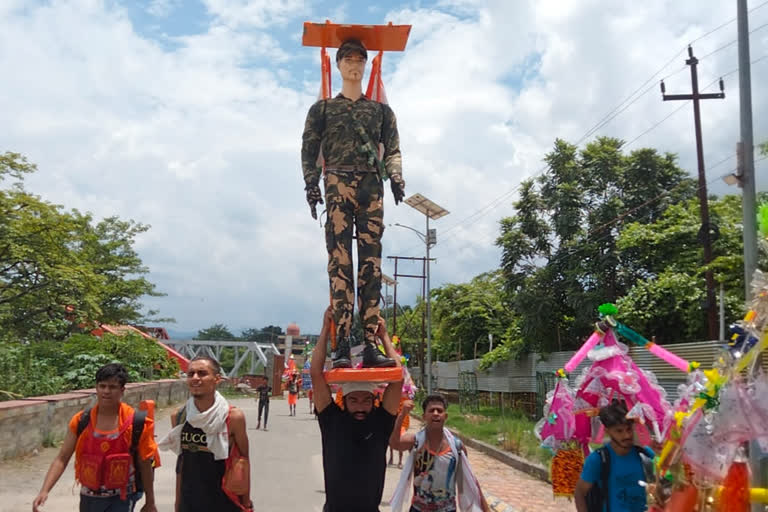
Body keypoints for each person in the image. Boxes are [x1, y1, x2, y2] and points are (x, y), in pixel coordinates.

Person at [301, 38, 405, 370]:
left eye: (360, 59)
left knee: (371, 265)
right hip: (337, 182)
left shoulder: (381, 112)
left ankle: (371, 341)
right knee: (340, 265)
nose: (354, 65)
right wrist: (310, 184)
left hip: (371, 185)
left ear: (365, 65)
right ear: (338, 65)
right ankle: (342, 342)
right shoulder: (323, 110)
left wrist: (397, 176)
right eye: (348, 59)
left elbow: (392, 149)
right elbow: (308, 150)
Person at [310, 307, 403, 512]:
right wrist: (326, 329)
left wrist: (384, 336)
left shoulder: (381, 423)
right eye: (354, 400)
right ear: (344, 400)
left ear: (374, 400)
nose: (360, 406)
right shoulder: (332, 420)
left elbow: (398, 379)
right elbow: (316, 374)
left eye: (365, 400)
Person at [32, 363, 158, 512]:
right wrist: (44, 490)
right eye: (102, 386)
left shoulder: (135, 423)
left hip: (122, 498)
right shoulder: (81, 421)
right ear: (96, 388)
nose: (106, 391)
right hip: (89, 498)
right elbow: (62, 458)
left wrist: (150, 502)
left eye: (112, 387)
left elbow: (144, 463)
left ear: (122, 390)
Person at [159, 356, 251, 512]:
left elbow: (243, 462)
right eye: (191, 374)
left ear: (217, 379)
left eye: (202, 373)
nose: (195, 378)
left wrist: (246, 502)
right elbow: (182, 463)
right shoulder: (180, 416)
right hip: (190, 502)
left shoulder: (232, 417)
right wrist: (177, 503)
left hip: (225, 502)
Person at [389, 395, 488, 512]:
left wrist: (484, 508)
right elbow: (395, 444)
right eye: (431, 411)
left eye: (440, 411)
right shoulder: (416, 442)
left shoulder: (457, 447)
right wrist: (402, 415)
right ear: (424, 416)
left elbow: (469, 481)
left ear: (445, 416)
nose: (436, 413)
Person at [573, 400, 656, 512]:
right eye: (619, 431)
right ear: (608, 432)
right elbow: (580, 493)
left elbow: (666, 476)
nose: (626, 435)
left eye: (629, 429)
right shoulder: (598, 459)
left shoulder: (643, 453)